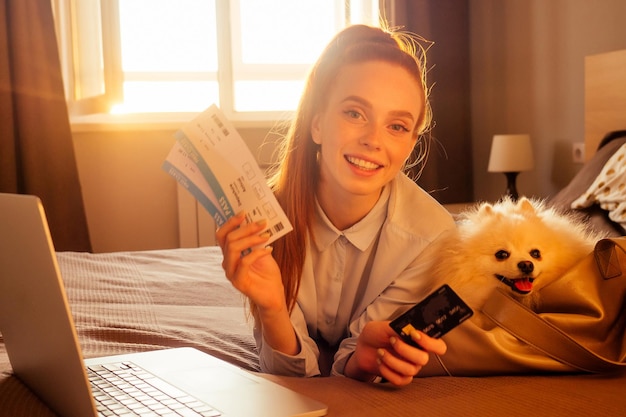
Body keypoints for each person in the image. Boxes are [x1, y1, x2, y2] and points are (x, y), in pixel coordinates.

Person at [216, 24, 455, 387]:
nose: (373, 140)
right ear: (317, 124)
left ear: (410, 144)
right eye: (355, 113)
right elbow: (289, 377)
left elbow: (356, 360)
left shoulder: (432, 239)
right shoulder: (268, 216)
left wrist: (361, 363)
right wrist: (272, 308)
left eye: (396, 126)